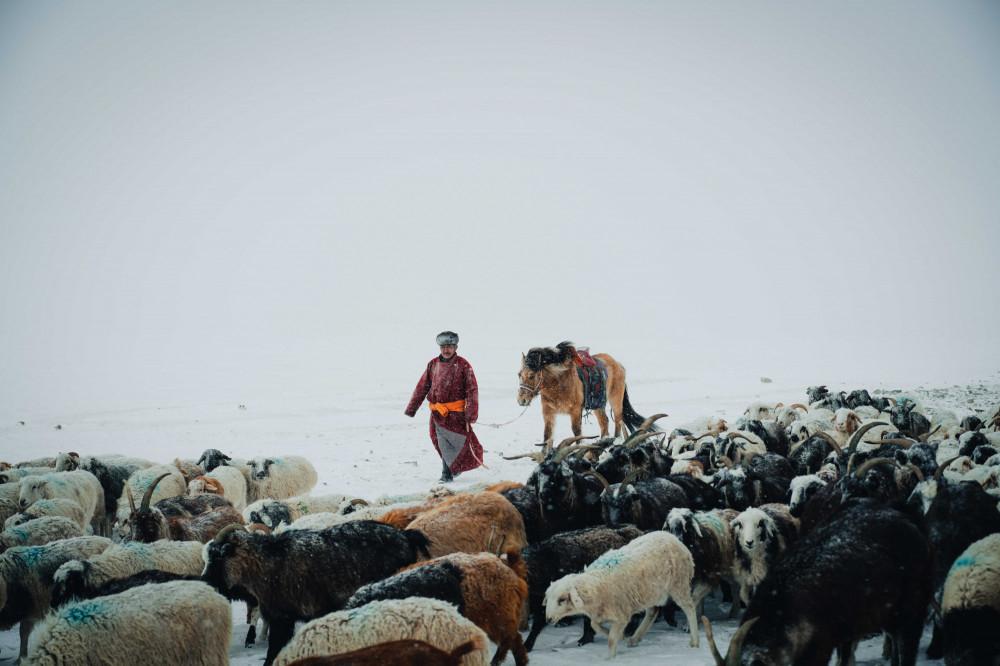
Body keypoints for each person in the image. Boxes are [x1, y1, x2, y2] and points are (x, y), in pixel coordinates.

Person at [404, 331, 484, 482]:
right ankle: (451, 469)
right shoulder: (433, 364)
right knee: (438, 441)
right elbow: (422, 386)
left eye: (449, 346)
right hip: (437, 413)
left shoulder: (463, 365)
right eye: (443, 347)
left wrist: (471, 413)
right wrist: (412, 408)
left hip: (456, 414)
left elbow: (472, 390)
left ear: (455, 347)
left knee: (455, 442)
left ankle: (447, 473)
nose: (446, 350)